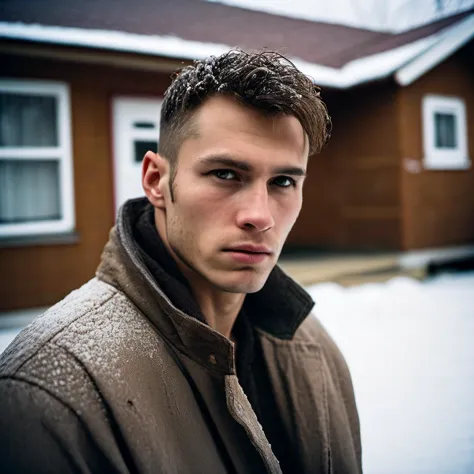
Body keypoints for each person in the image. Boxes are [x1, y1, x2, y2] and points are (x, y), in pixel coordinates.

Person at [0, 50, 361, 474]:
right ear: (156, 180)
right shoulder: (48, 391)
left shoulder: (312, 347)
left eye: (283, 181)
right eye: (226, 174)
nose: (260, 216)